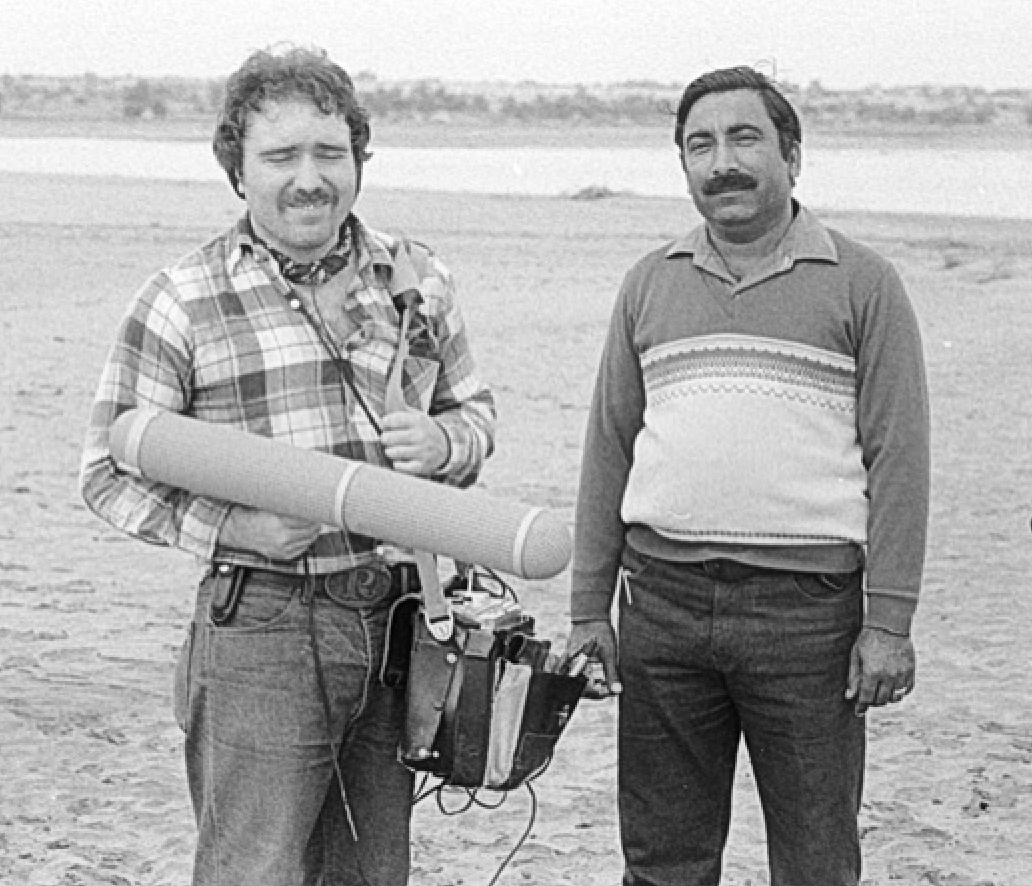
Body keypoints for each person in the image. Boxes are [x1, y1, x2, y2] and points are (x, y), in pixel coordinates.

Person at [80, 45, 495, 886]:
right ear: (237, 169)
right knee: (252, 871)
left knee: (372, 872)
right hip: (260, 623)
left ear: (358, 158)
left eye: (329, 154)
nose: (309, 178)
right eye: (280, 157)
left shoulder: (417, 277)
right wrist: (234, 526)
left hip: (397, 623)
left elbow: (476, 415)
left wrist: (447, 444)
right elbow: (105, 470)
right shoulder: (182, 299)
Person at [567, 66, 929, 886]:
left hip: (807, 619)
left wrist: (890, 622)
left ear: (792, 155)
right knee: (663, 859)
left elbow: (901, 460)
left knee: (815, 860)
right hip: (661, 607)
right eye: (700, 144)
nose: (721, 161)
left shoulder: (864, 284)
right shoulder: (649, 282)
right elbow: (609, 449)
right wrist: (591, 608)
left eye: (743, 138)